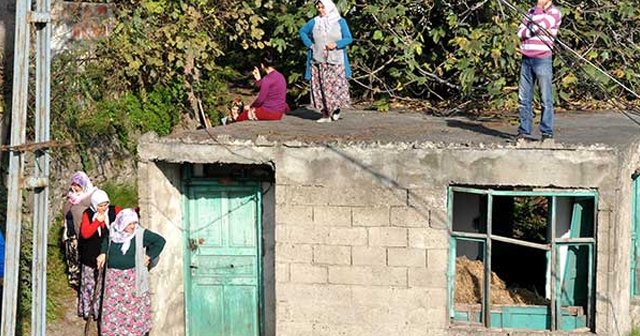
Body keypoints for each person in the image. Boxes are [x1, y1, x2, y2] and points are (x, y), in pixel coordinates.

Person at [97, 208, 166, 336]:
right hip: (113, 279)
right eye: (130, 224)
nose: (133, 226)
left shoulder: (140, 233)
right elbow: (107, 242)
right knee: (113, 310)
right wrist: (102, 253)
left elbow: (160, 241)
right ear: (122, 223)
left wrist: (149, 256)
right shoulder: (113, 230)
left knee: (132, 311)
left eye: (135, 223)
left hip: (132, 279)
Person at [299, 0, 353, 123]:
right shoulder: (315, 22)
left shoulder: (340, 21)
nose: (320, 10)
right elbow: (302, 32)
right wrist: (310, 45)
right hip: (318, 60)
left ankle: (335, 108)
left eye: (322, 7)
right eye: (318, 7)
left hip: (336, 60)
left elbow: (348, 38)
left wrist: (336, 44)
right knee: (321, 87)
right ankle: (325, 113)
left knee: (334, 87)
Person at [516, 0, 562, 142]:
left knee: (545, 98)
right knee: (524, 98)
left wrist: (538, 13)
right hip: (526, 59)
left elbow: (539, 27)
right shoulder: (530, 12)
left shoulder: (554, 13)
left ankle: (546, 132)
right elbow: (519, 32)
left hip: (542, 59)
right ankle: (524, 131)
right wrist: (531, 29)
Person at [77, 189, 121, 320]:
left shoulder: (115, 211)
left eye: (105, 204)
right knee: (89, 284)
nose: (103, 208)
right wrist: (97, 222)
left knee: (105, 284)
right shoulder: (88, 214)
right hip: (90, 255)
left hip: (108, 255)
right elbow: (85, 233)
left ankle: (103, 311)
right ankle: (88, 310)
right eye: (100, 205)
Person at [62, 171, 97, 289]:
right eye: (74, 184)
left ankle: (88, 282)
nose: (75, 187)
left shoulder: (90, 197)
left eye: (78, 185)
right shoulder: (70, 197)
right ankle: (75, 283)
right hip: (70, 234)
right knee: (72, 257)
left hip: (84, 233)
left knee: (84, 258)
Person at [230, 53, 290, 122]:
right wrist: (258, 80)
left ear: (262, 65)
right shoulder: (280, 76)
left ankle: (236, 119)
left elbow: (260, 100)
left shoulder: (267, 79)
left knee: (247, 114)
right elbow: (268, 85)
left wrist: (250, 106)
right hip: (280, 111)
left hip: (271, 113)